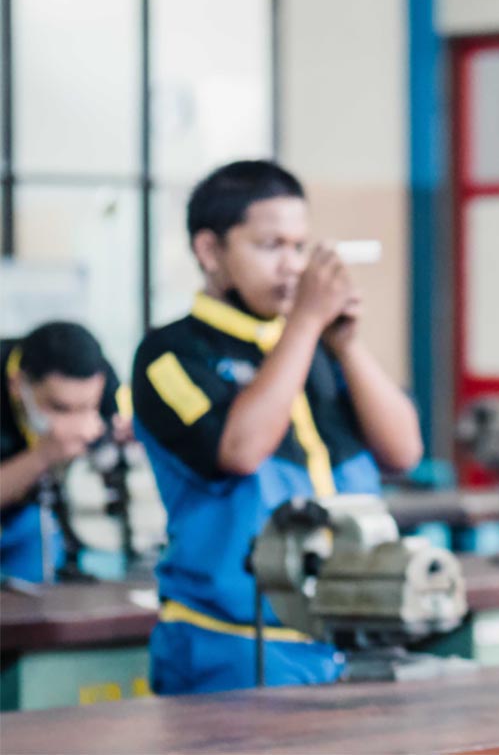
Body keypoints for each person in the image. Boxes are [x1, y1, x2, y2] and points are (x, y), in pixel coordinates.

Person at [132, 160, 423, 695]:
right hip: (230, 647)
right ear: (210, 251)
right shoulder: (170, 353)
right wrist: (306, 323)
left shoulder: (316, 348)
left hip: (344, 641)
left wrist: (347, 345)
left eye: (299, 246)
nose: (292, 267)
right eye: (270, 246)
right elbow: (239, 452)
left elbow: (404, 451)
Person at [1, 322, 125, 583]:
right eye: (60, 408)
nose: (75, 424)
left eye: (85, 408)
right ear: (17, 384)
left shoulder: (105, 385)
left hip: (36, 524)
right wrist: (42, 456)